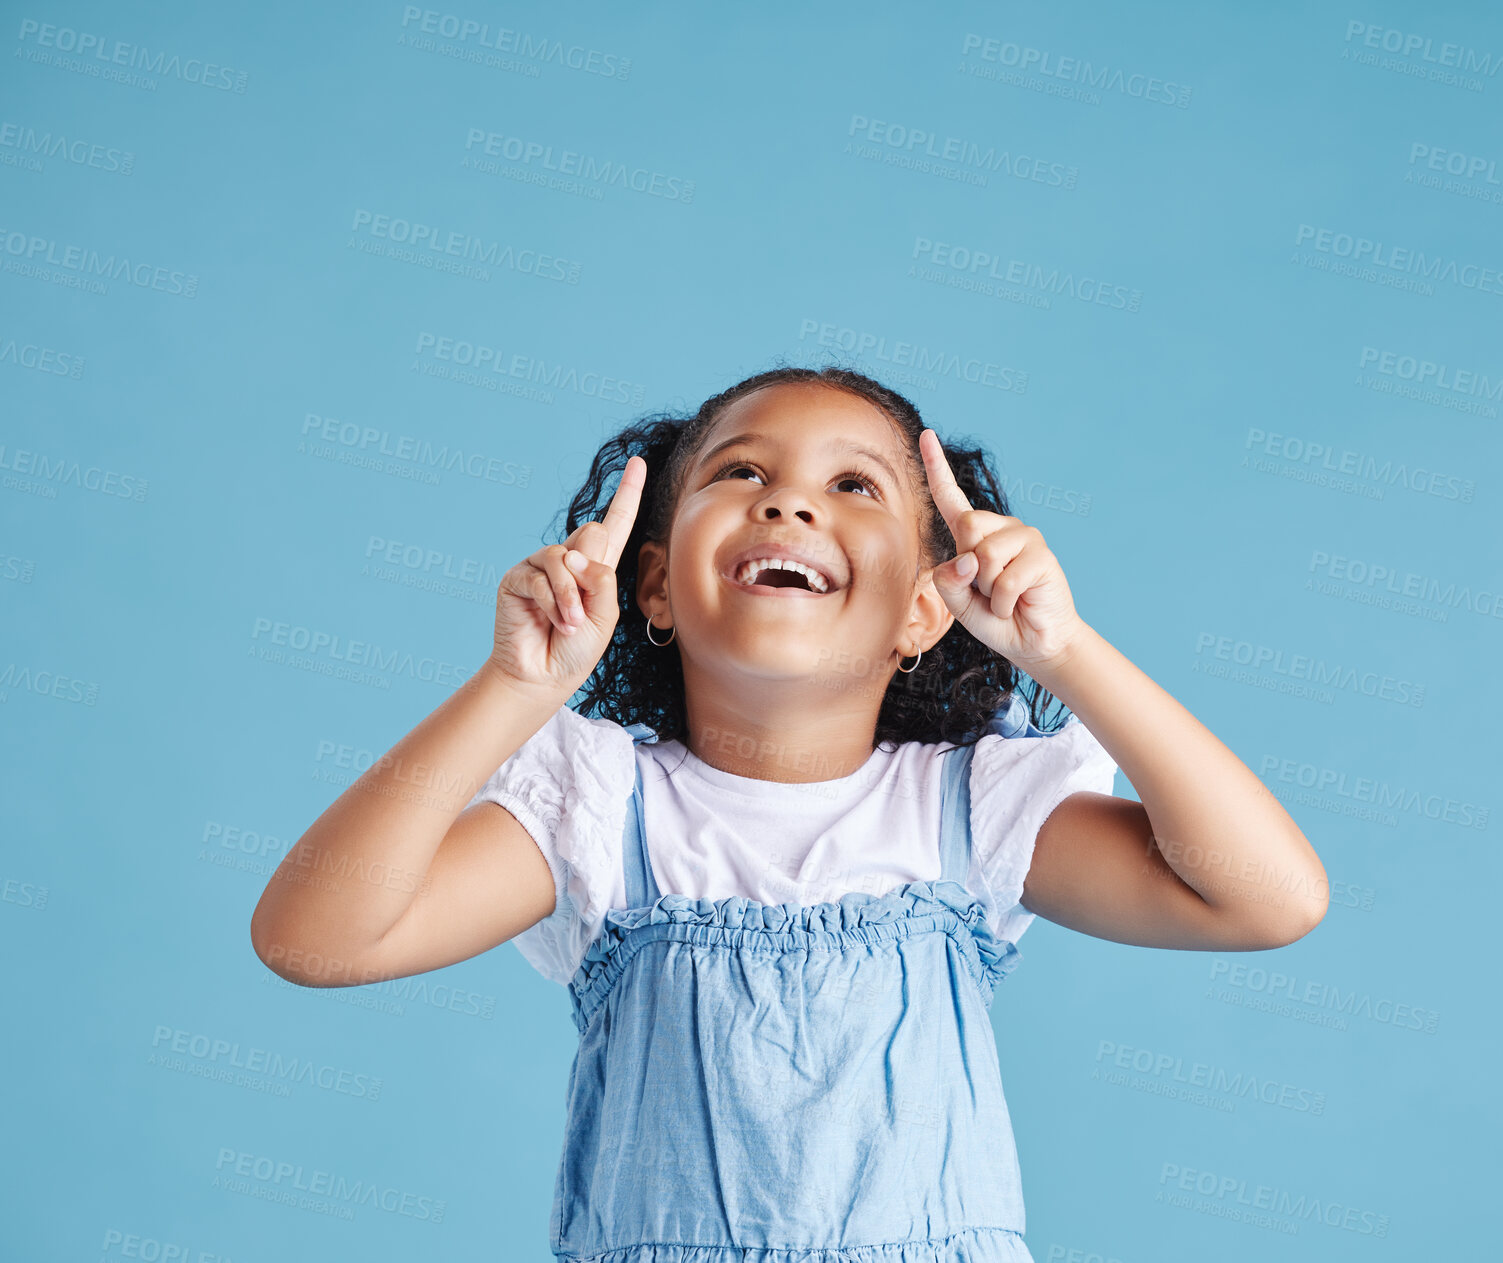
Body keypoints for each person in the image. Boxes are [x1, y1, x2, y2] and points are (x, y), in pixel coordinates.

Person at [252, 365, 1329, 1262]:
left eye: (855, 485)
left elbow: (1266, 900)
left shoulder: (969, 809)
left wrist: (1065, 654)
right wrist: (512, 691)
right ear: (657, 587)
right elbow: (314, 938)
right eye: (739, 473)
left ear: (923, 606)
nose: (788, 502)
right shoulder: (597, 809)